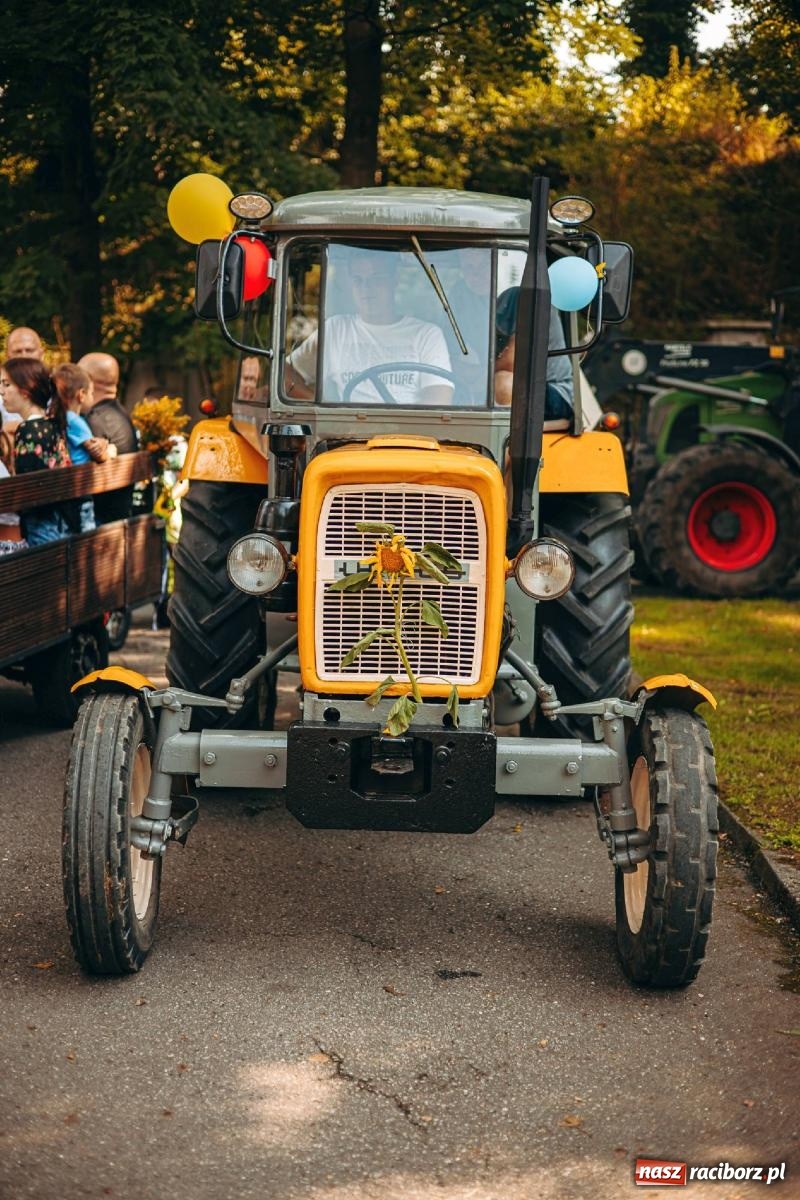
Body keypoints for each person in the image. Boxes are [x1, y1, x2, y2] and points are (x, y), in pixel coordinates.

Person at [286, 252, 454, 405]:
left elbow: (438, 398)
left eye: (377, 279)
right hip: (347, 433)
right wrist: (321, 407)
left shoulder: (426, 335)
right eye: (358, 280)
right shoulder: (335, 331)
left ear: (394, 280)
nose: (366, 288)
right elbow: (285, 374)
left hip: (409, 435)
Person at [0, 357, 71, 546]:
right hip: (59, 520)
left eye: (7, 385)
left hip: (40, 525)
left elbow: (27, 485)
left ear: (25, 390)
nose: (1, 391)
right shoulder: (51, 424)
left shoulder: (28, 430)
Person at [493, 288, 574, 419]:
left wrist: (477, 372)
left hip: (554, 393)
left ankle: (504, 435)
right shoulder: (464, 299)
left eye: (479, 267)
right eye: (469, 267)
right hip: (526, 393)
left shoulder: (526, 299)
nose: (474, 274)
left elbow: (513, 363)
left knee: (504, 383)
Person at [52, 362, 114, 533]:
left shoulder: (59, 417)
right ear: (81, 395)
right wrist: (109, 451)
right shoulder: (75, 421)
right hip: (80, 489)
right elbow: (98, 453)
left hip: (68, 488)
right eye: (92, 393)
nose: (93, 397)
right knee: (85, 536)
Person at [78, 351, 137, 523]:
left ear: (89, 381)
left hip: (99, 521)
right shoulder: (122, 415)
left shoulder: (94, 421)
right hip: (120, 516)